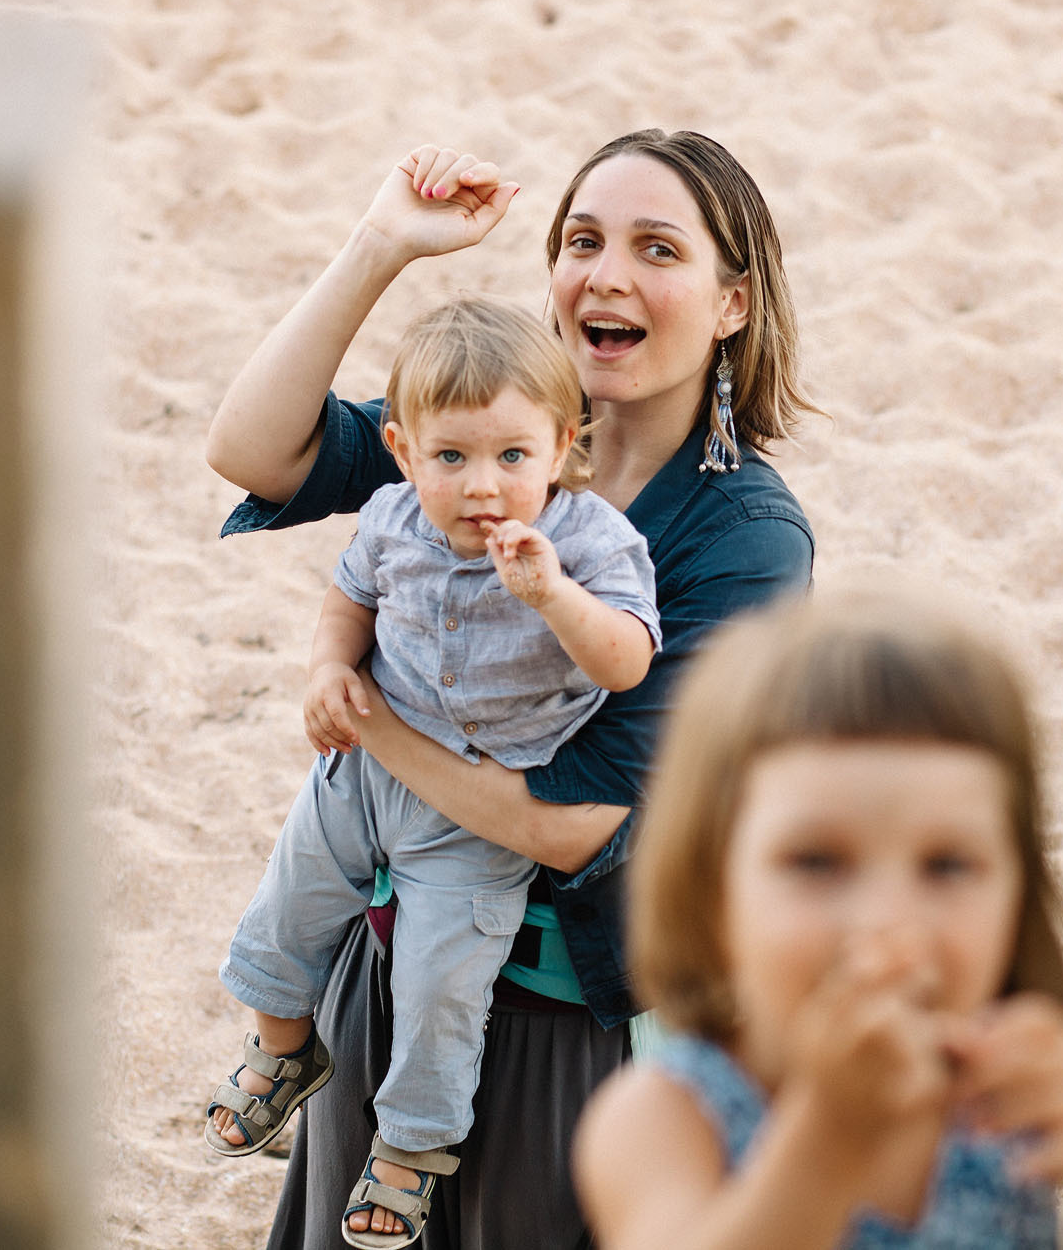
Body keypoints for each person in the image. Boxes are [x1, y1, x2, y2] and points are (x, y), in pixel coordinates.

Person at [203, 130, 816, 1250]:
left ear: (731, 303)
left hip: (562, 1024)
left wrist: (367, 722)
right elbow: (251, 446)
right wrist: (382, 244)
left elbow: (577, 825)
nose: (607, 274)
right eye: (581, 241)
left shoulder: (741, 538)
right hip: (385, 970)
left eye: (656, 249)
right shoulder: (483, 440)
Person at [575, 589, 1063, 1249]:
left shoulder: (1016, 1081)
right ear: (711, 887)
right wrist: (823, 1142)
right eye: (817, 862)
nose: (889, 920)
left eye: (948, 865)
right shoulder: (664, 1114)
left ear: (1018, 894)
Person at [205, 297, 661, 1250]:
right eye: (451, 457)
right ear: (405, 451)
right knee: (285, 912)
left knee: (441, 983)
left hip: (477, 815)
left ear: (563, 445)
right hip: (359, 777)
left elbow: (625, 660)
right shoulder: (391, 515)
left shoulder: (588, 541)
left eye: (512, 456)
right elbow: (350, 595)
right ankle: (282, 1054)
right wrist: (329, 666)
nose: (482, 485)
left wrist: (554, 594)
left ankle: (412, 1149)